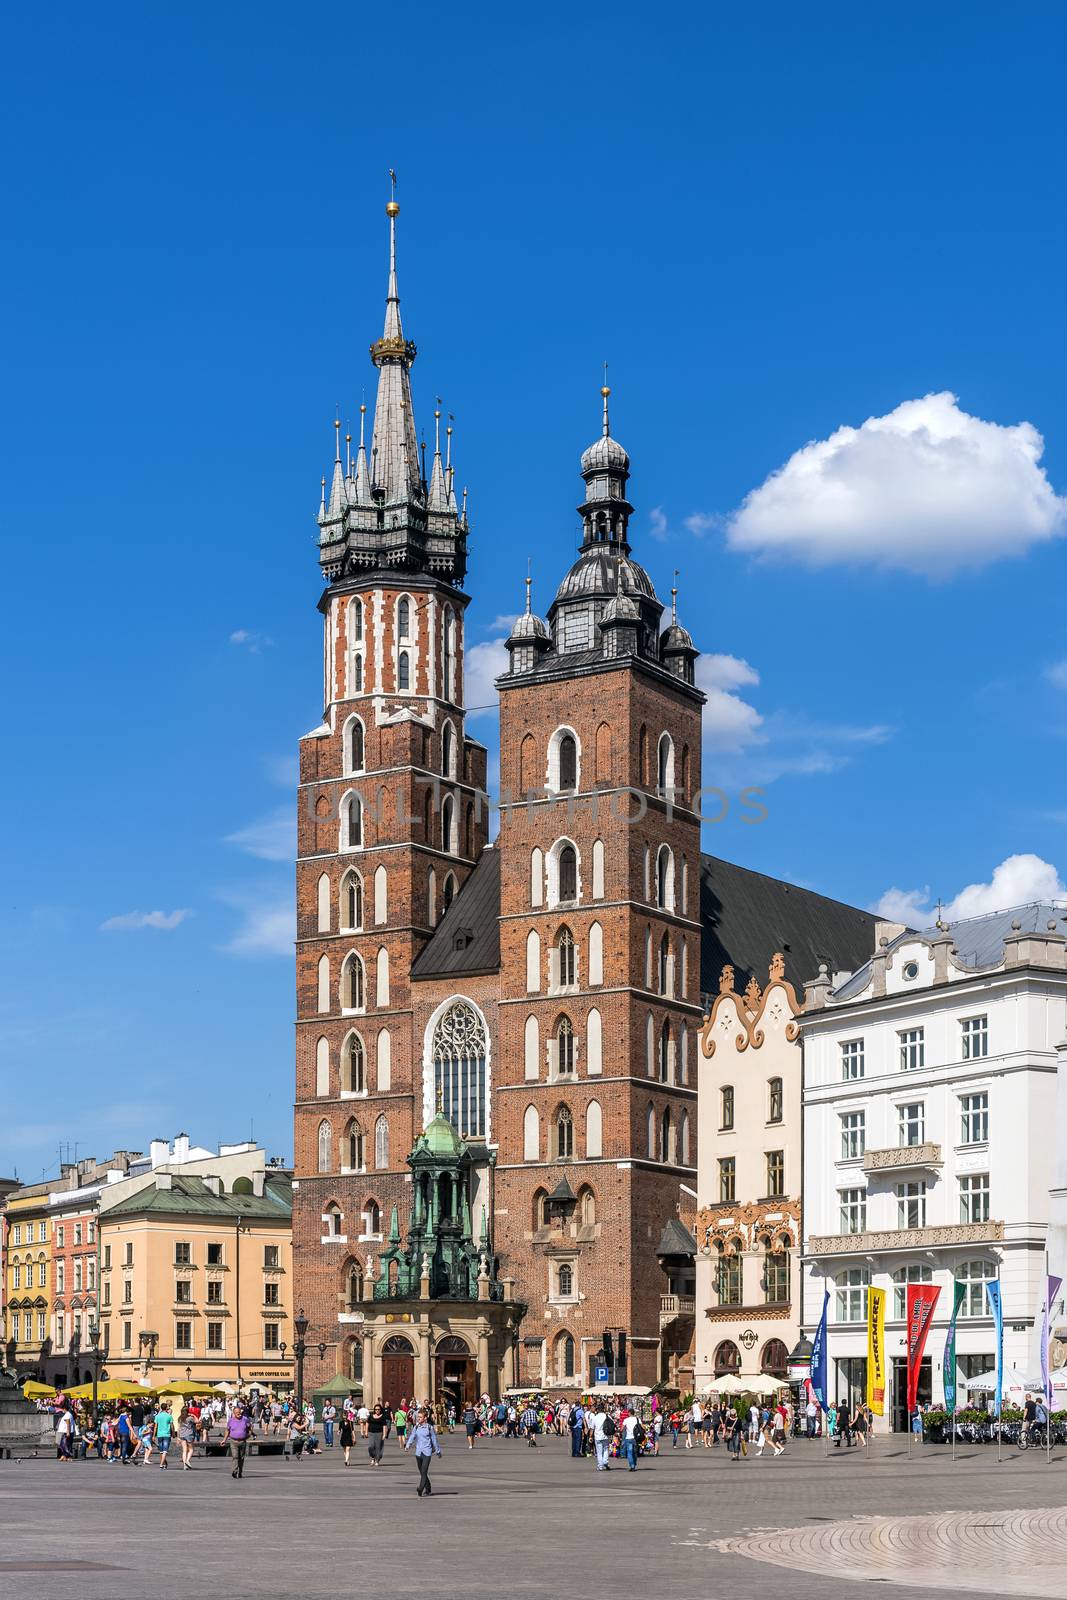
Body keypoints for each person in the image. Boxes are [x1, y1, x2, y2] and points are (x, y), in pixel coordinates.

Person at [405, 1406, 441, 1496]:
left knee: (424, 1471)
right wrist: (408, 1445)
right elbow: (412, 1436)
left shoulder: (429, 1428)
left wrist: (438, 1451)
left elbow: (434, 1440)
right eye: (418, 1417)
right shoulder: (416, 1427)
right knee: (422, 1472)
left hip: (427, 1452)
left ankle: (420, 1488)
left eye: (420, 1417)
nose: (418, 1419)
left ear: (425, 1418)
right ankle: (428, 1488)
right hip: (418, 1452)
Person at [225, 1403, 253, 1479]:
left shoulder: (245, 1419)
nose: (239, 1415)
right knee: (235, 1457)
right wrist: (224, 1440)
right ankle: (234, 1471)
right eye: (237, 1413)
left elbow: (250, 1427)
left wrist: (249, 1434)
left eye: (240, 1413)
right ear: (234, 1413)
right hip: (233, 1441)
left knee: (241, 1457)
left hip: (243, 1441)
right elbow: (227, 1430)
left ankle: (240, 1472)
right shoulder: (230, 1421)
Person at [591, 1403, 613, 1471]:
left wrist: (590, 1436)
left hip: (598, 1436)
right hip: (606, 1436)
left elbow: (592, 1428)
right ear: (603, 1409)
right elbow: (611, 1425)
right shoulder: (607, 1416)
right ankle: (605, 1462)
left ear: (597, 1409)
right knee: (606, 1450)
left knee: (599, 1452)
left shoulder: (595, 1417)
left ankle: (600, 1466)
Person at [153, 1402, 174, 1469]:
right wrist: (173, 1433)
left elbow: (155, 1426)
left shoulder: (157, 1416)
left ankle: (164, 1463)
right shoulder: (169, 1416)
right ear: (166, 1408)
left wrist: (153, 1435)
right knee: (165, 1450)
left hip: (159, 1434)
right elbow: (172, 1426)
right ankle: (161, 1464)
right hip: (166, 1434)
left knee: (161, 1451)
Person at [366, 1403, 386, 1467]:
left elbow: (384, 1426)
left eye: (378, 1409)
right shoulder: (371, 1416)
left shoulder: (382, 1417)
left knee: (378, 1447)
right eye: (376, 1409)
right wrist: (366, 1432)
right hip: (371, 1433)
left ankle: (377, 1460)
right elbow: (367, 1423)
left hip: (379, 1433)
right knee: (371, 1446)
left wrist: (384, 1434)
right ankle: (372, 1457)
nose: (377, 1410)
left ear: (380, 1410)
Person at [178, 1405, 198, 1470]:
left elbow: (178, 1428)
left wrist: (178, 1437)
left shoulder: (180, 1418)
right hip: (189, 1434)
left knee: (184, 1450)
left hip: (182, 1435)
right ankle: (187, 1460)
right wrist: (193, 1415)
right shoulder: (190, 1418)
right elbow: (197, 1421)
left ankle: (184, 1465)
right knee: (191, 1449)